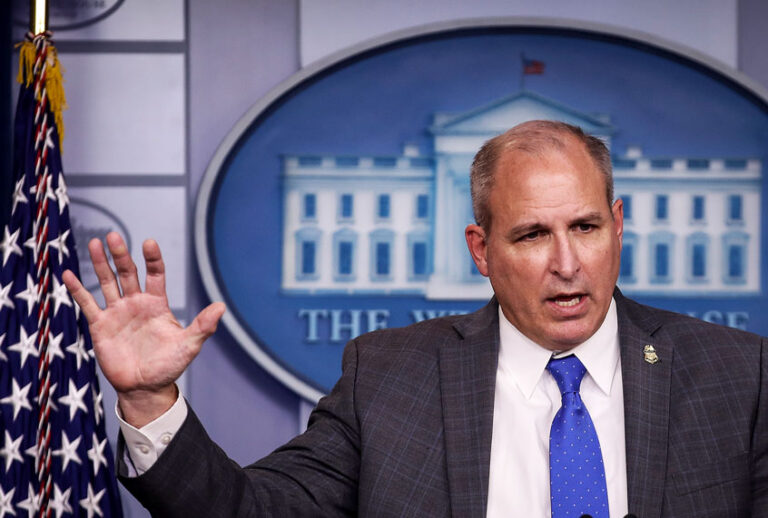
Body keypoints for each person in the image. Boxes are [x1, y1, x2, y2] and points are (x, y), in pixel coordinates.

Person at [63, 120, 768, 517]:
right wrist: (150, 400)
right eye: (530, 236)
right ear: (481, 250)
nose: (566, 263)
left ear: (617, 227)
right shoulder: (390, 377)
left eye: (585, 227)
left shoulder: (738, 376)